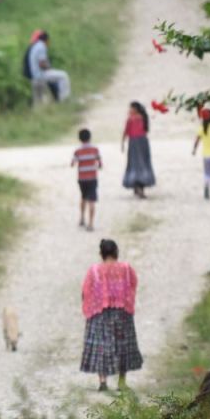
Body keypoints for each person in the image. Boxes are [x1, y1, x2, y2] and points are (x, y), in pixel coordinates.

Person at [80, 238, 144, 392]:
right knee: (123, 346)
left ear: (101, 253)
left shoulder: (94, 271)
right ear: (116, 252)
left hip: (99, 314)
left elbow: (86, 290)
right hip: (122, 313)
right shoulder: (126, 269)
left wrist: (90, 305)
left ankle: (103, 382)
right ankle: (122, 382)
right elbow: (133, 285)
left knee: (101, 347)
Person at [23, 30, 72, 104]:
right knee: (64, 75)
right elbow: (42, 64)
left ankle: (59, 99)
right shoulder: (42, 46)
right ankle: (64, 99)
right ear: (47, 40)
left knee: (38, 102)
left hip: (34, 75)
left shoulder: (34, 46)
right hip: (41, 75)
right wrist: (49, 68)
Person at [122, 101, 156, 199]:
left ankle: (139, 187)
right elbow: (126, 131)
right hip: (137, 143)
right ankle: (138, 187)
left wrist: (123, 142)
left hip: (139, 143)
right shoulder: (135, 119)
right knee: (139, 164)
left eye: (131, 108)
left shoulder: (137, 118)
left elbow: (127, 131)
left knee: (138, 164)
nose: (129, 110)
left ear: (136, 109)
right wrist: (123, 143)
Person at [71, 128, 102, 231]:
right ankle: (91, 224)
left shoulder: (78, 151)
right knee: (92, 200)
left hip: (82, 179)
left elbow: (73, 163)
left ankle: (82, 218)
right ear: (90, 137)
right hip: (92, 178)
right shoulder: (95, 149)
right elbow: (100, 163)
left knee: (83, 197)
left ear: (79, 139)